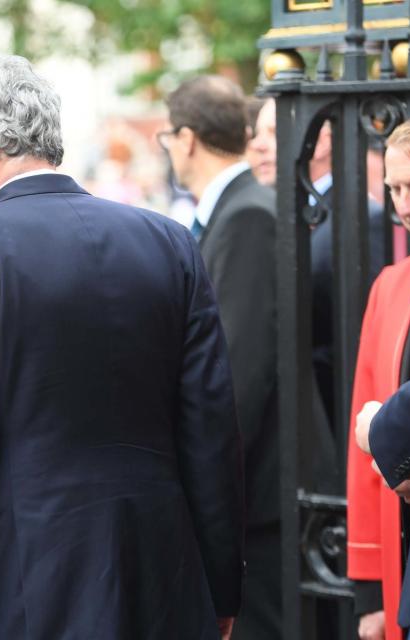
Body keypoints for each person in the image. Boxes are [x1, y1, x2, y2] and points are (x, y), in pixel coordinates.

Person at [0, 54, 244, 640]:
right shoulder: (167, 242)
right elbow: (211, 437)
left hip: (29, 592)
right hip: (168, 582)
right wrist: (220, 592)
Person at [162, 75, 280, 640]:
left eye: (166, 138)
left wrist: (206, 491)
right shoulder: (232, 211)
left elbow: (236, 374)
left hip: (257, 500)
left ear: (186, 139)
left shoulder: (246, 215)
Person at [349, 112, 410, 640]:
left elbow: (375, 426)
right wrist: (370, 588)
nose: (407, 205)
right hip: (408, 549)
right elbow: (364, 455)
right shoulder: (392, 285)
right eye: (395, 189)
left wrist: (383, 429)